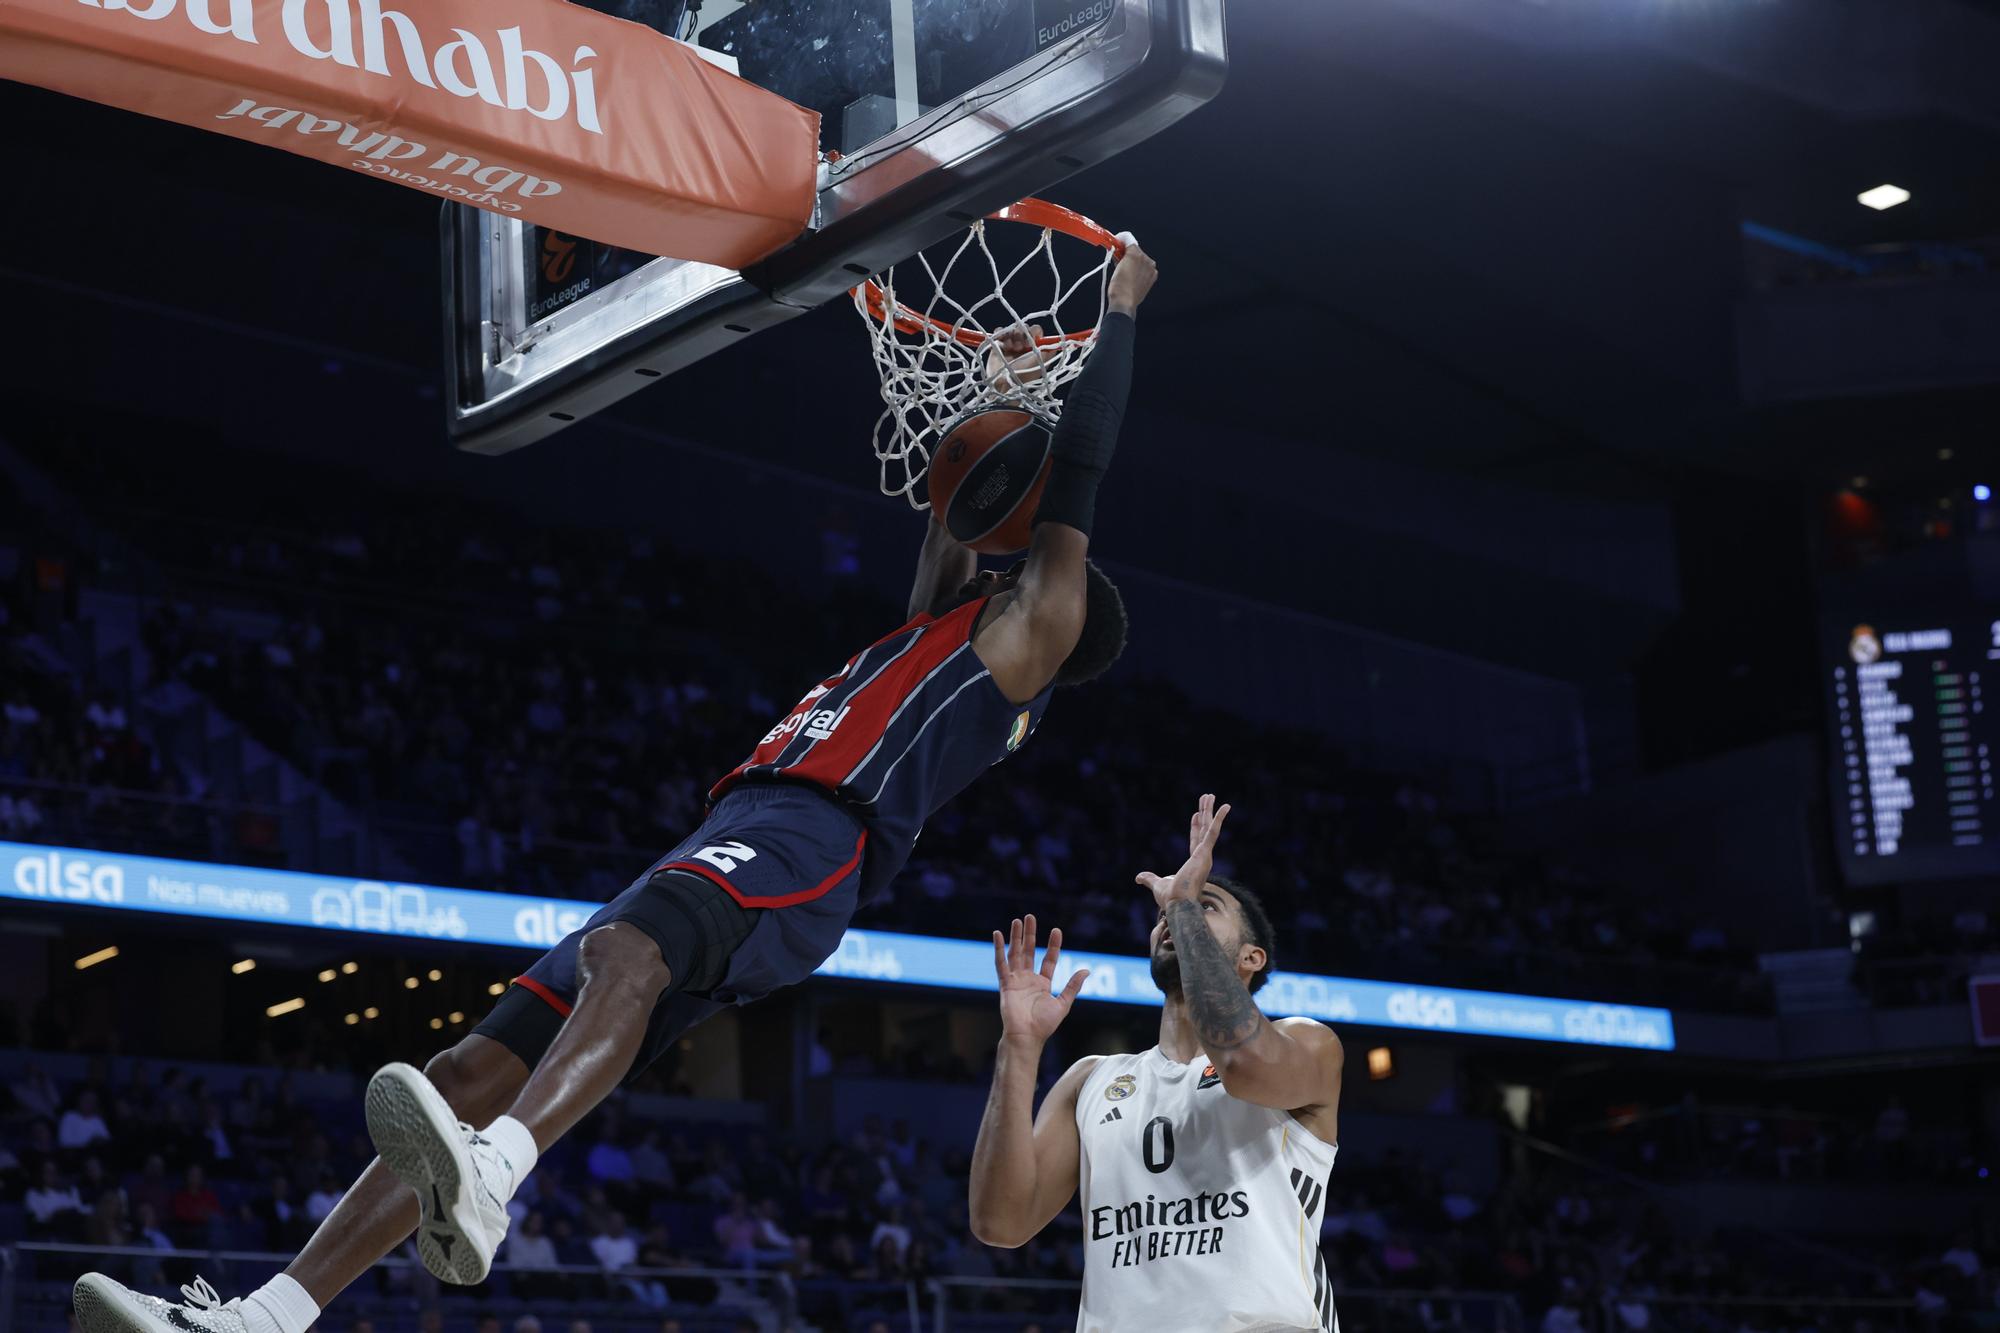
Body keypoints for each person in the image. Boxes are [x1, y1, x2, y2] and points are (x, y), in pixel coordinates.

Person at [74, 238, 1162, 1333]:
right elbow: (952, 513)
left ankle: (494, 1174)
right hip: (742, 823)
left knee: (623, 953)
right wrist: (1005, 386)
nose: (1016, 560)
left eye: (1032, 563)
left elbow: (1075, 483)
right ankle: (265, 1316)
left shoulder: (1029, 641)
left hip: (812, 842)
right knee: (464, 1067)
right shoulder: (941, 620)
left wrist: (1113, 313)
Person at [968, 795, 1345, 1332]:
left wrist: (1183, 904)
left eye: (1202, 904)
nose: (1174, 909)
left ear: (1251, 957)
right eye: (1167, 910)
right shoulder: (1091, 1079)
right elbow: (999, 1223)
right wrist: (1020, 1048)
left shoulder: (1308, 1044)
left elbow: (1241, 1062)